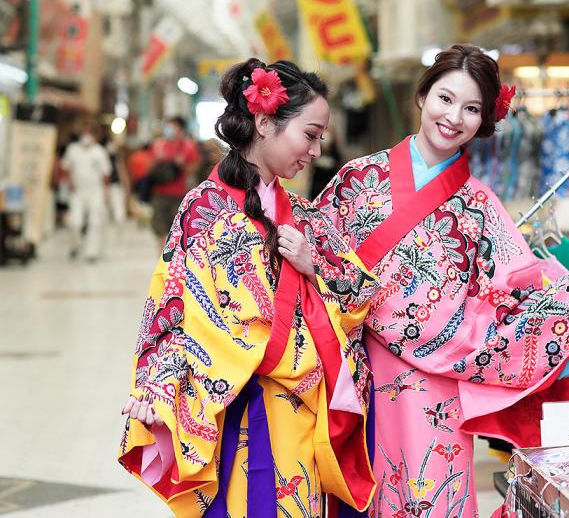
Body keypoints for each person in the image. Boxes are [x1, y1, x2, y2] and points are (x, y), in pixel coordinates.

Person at [316, 44, 569, 518]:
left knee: (432, 498)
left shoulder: (480, 204)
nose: (454, 117)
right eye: (445, 98)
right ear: (422, 95)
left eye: (471, 108)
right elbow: (318, 258)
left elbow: (519, 292)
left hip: (434, 388)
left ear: (484, 120)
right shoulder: (358, 178)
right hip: (357, 376)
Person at [118, 58, 379, 517]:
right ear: (263, 122)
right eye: (310, 135)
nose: (317, 151)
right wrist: (157, 389)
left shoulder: (302, 212)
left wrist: (312, 264)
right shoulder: (204, 206)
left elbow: (361, 294)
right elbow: (172, 305)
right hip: (236, 406)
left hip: (304, 415)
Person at [60, 125, 111, 261]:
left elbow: (106, 174)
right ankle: (76, 245)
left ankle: (91, 252)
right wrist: (69, 181)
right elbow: (65, 167)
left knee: (95, 221)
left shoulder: (99, 152)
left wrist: (106, 192)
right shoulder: (73, 150)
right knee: (74, 222)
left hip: (95, 190)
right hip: (78, 191)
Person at [149, 115, 200, 249]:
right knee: (159, 228)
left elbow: (194, 169)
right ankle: (161, 259)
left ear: (181, 129)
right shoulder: (158, 145)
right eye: (168, 125)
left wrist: (180, 165)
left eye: (173, 126)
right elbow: (149, 168)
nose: (169, 129)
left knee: (178, 229)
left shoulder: (188, 147)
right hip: (159, 192)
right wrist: (159, 161)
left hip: (179, 193)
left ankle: (174, 260)